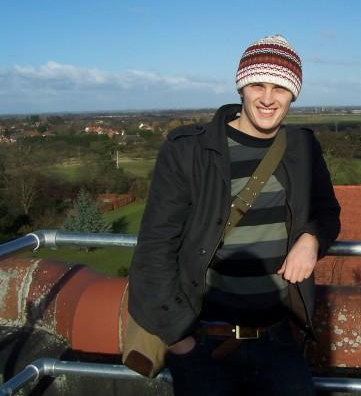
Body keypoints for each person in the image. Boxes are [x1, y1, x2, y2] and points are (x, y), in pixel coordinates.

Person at [128, 35, 341, 395]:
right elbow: (155, 250)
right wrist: (183, 343)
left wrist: (312, 238)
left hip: (279, 340)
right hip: (204, 342)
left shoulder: (303, 147)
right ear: (241, 87)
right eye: (258, 84)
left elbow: (327, 211)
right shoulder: (189, 151)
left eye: (281, 88)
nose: (268, 98)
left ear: (294, 94)